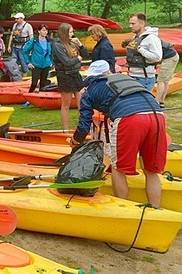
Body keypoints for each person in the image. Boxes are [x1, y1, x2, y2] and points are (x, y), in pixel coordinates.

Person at [71, 60, 166, 206]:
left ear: (90, 78)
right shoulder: (127, 78)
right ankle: (155, 207)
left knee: (118, 167)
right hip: (157, 116)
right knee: (150, 170)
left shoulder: (89, 91)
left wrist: (76, 141)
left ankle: (122, 207)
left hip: (129, 118)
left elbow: (84, 125)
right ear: (107, 72)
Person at [51, 23, 88, 130]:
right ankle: (65, 129)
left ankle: (83, 127)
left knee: (82, 102)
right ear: (64, 33)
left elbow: (85, 54)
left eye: (72, 32)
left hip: (76, 74)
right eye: (70, 32)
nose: (72, 34)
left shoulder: (72, 43)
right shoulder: (57, 45)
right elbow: (66, 62)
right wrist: (78, 59)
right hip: (65, 76)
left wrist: (80, 44)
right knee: (66, 103)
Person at [122, 13, 162, 92]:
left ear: (142, 23)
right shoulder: (135, 37)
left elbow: (158, 57)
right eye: (130, 23)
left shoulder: (151, 38)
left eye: (133, 23)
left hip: (144, 78)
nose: (130, 26)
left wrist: (141, 50)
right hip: (132, 75)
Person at [22, 24, 52, 93]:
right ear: (39, 31)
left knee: (43, 83)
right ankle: (29, 96)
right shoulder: (34, 41)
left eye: (46, 30)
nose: (45, 32)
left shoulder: (49, 41)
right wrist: (28, 62)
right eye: (43, 30)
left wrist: (51, 62)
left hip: (46, 64)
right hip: (36, 65)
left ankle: (42, 97)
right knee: (34, 83)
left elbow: (52, 52)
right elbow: (24, 51)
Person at [155, 39, 179, 108]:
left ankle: (157, 101)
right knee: (165, 81)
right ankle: (161, 101)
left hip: (169, 58)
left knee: (161, 81)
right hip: (172, 57)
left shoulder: (150, 40)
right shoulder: (153, 38)